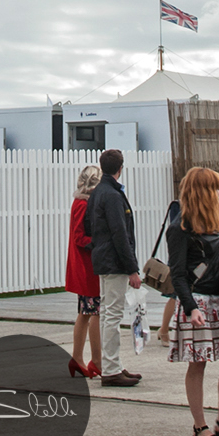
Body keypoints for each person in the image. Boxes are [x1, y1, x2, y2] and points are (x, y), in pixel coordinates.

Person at [168, 166, 219, 436]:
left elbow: (218, 253)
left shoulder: (216, 222)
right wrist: (191, 308)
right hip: (198, 301)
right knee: (198, 362)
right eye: (214, 188)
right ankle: (199, 426)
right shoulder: (179, 228)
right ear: (202, 192)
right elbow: (177, 274)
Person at [85, 148, 143, 387]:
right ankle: (110, 368)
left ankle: (112, 364)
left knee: (108, 313)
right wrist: (132, 268)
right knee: (113, 315)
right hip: (115, 261)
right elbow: (120, 233)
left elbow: (89, 226)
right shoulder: (112, 194)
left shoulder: (98, 192)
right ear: (121, 168)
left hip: (102, 258)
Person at [65, 164, 102, 378]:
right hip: (87, 266)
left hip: (85, 265)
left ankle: (78, 358)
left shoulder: (80, 202)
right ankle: (95, 360)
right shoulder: (82, 204)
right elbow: (79, 237)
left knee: (85, 313)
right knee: (94, 312)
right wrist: (98, 242)